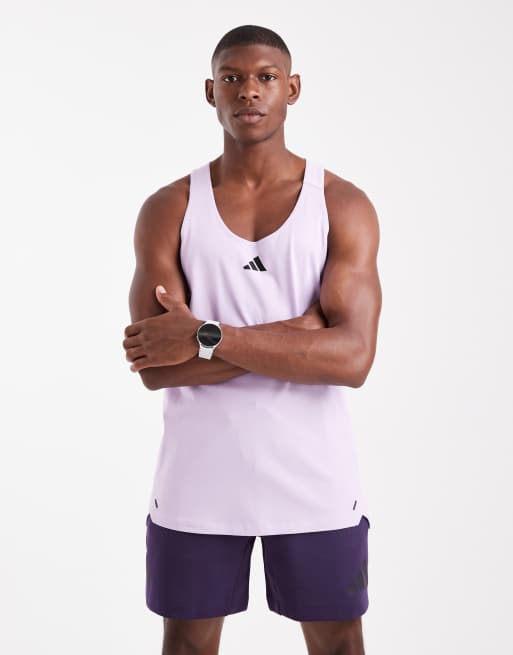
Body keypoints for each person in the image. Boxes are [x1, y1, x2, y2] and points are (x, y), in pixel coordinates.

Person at [122, 24, 381, 655]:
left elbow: (352, 359)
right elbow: (157, 367)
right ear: (210, 91)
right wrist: (301, 335)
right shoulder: (170, 207)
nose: (249, 91)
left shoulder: (341, 204)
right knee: (187, 645)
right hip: (199, 477)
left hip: (314, 476)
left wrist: (204, 336)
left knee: (340, 644)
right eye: (232, 78)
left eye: (266, 77)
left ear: (292, 88)